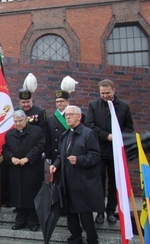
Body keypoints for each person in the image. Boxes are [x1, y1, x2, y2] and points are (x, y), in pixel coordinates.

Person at [50, 105, 104, 244]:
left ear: (79, 117)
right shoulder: (65, 135)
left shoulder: (88, 133)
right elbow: (60, 156)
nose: (67, 117)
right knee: (70, 214)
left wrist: (79, 160)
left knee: (84, 214)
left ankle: (92, 239)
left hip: (83, 182)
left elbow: (95, 156)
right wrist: (55, 165)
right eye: (66, 115)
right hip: (67, 181)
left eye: (71, 114)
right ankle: (76, 237)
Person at [86, 79, 134, 225]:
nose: (105, 95)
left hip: (116, 152)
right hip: (99, 151)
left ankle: (110, 211)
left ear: (113, 90)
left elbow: (129, 127)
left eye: (107, 92)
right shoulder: (93, 106)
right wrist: (107, 136)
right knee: (99, 182)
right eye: (102, 93)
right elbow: (90, 125)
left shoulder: (124, 107)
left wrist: (119, 136)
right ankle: (99, 212)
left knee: (114, 183)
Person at [2, 110, 45, 232]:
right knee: (18, 195)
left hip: (31, 169)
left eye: (20, 121)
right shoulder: (9, 134)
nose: (18, 124)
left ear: (26, 120)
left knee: (31, 194)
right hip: (16, 169)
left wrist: (27, 158)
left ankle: (33, 221)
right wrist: (11, 158)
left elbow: (40, 146)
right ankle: (20, 220)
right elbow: (5, 149)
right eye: (15, 121)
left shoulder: (36, 131)